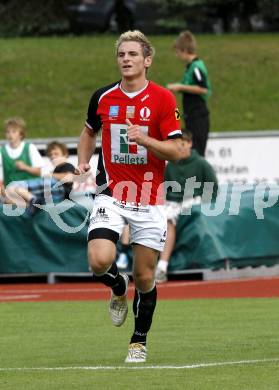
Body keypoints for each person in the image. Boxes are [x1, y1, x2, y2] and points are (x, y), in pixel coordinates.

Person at [76, 30, 187, 363]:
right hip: (111, 192)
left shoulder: (165, 100)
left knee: (145, 276)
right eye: (121, 54)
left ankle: (138, 340)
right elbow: (88, 131)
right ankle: (116, 286)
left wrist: (146, 140)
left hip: (149, 197)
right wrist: (83, 159)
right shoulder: (103, 97)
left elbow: (178, 150)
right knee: (98, 259)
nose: (126, 59)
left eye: (133, 54)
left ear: (147, 60)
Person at [155, 131, 218, 283]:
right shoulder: (170, 165)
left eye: (182, 144)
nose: (180, 148)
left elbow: (212, 188)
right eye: (176, 145)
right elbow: (163, 189)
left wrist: (203, 202)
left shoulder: (201, 163)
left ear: (190, 143)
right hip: (172, 202)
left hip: (193, 201)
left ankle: (162, 267)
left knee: (169, 221)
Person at [167, 30, 212, 156]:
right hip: (191, 116)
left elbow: (203, 88)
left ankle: (198, 177)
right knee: (190, 153)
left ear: (185, 51)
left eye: (177, 52)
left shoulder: (196, 67)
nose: (177, 55)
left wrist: (180, 86)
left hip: (198, 117)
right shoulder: (190, 67)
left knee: (196, 154)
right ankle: (192, 177)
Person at [2, 140, 75, 215]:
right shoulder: (54, 171)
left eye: (56, 154)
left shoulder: (67, 165)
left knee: (14, 187)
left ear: (65, 154)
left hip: (59, 192)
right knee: (8, 200)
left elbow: (69, 178)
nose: (52, 156)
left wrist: (49, 175)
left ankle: (33, 200)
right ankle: (32, 204)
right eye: (50, 155)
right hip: (49, 195)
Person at [0, 117, 43, 205]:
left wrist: (25, 167)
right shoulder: (1, 151)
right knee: (8, 200)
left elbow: (38, 172)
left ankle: (31, 202)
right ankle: (31, 205)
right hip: (11, 192)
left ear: (21, 134)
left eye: (13, 132)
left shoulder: (30, 148)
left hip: (30, 189)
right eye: (8, 132)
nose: (10, 135)